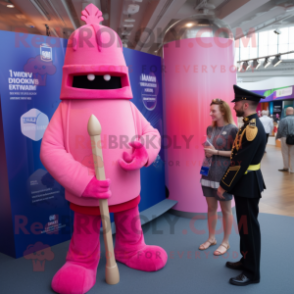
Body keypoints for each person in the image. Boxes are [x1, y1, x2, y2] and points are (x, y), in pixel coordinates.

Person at [217, 85, 266, 286]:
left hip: (247, 183)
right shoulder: (248, 124)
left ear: (245, 104)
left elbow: (240, 162)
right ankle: (246, 261)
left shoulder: (252, 128)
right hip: (245, 184)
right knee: (244, 227)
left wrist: (223, 185)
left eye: (236, 102)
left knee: (249, 230)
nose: (234, 105)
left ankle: (252, 273)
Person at [199, 99, 238, 256]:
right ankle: (211, 238)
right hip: (207, 173)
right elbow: (210, 149)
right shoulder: (210, 128)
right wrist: (209, 151)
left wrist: (216, 152)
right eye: (210, 110)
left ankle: (226, 242)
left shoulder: (233, 129)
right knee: (211, 208)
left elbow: (237, 154)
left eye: (213, 111)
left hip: (224, 176)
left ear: (223, 111)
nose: (210, 114)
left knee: (226, 210)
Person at [276, 107, 294, 173]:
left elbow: (280, 130)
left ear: (286, 112)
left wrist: (277, 137)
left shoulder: (283, 120)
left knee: (285, 153)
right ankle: (293, 169)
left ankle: (286, 167)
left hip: (284, 137)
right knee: (293, 154)